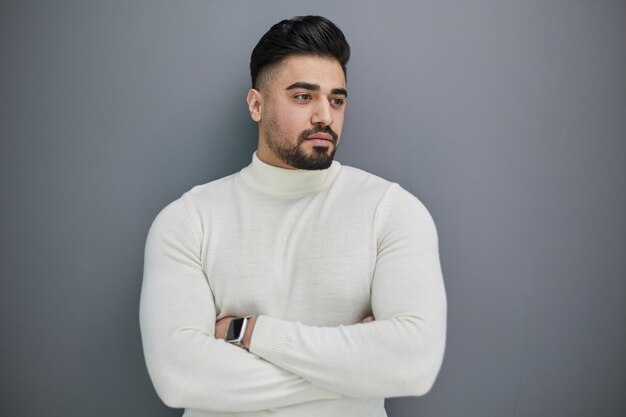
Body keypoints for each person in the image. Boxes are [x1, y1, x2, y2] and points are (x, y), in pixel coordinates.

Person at [139, 15, 447, 417]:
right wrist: (353, 373)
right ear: (256, 104)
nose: (325, 116)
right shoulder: (188, 220)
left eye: (336, 99)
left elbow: (413, 365)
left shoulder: (392, 210)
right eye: (304, 96)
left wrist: (249, 332)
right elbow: (179, 378)